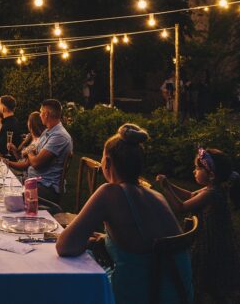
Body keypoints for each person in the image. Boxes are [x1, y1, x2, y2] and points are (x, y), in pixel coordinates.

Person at [56, 124, 192, 304]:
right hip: (176, 295)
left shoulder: (109, 193)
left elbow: (65, 246)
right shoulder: (156, 195)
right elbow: (144, 241)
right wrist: (105, 240)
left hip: (140, 295)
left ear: (108, 163)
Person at [156, 148, 240, 301]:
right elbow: (191, 195)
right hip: (213, 238)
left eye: (198, 168)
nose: (194, 171)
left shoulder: (212, 193)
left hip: (212, 242)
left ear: (211, 175)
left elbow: (181, 207)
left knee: (210, 279)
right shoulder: (213, 188)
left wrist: (166, 189)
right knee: (210, 281)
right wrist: (170, 184)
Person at [5, 100, 72, 203]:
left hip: (46, 187)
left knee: (7, 194)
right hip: (33, 180)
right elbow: (32, 157)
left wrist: (29, 151)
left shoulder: (59, 136)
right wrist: (30, 152)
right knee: (2, 182)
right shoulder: (48, 131)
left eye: (41, 112)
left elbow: (36, 163)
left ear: (46, 114)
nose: (40, 115)